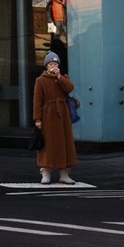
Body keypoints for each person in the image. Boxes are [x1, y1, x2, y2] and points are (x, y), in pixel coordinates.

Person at [32, 51, 78, 184]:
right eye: (51, 64)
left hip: (62, 114)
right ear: (46, 66)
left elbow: (69, 88)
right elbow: (37, 100)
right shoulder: (40, 80)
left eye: (55, 64)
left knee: (65, 143)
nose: (53, 66)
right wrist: (38, 119)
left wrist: (59, 77)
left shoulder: (63, 78)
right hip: (48, 115)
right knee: (48, 144)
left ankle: (64, 173)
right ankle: (45, 172)